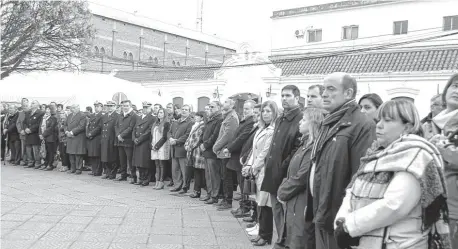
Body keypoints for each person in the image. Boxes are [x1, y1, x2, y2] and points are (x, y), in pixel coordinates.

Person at [335, 99, 451, 249]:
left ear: (407, 126)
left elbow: (394, 205)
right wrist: (341, 221)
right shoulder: (375, 154)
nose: (379, 125)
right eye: (379, 119)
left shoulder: (416, 155)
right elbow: (352, 191)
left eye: (388, 120)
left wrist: (349, 226)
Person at [311, 72, 376, 249]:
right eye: (324, 89)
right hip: (322, 209)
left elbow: (359, 176)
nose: (324, 94)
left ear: (348, 93)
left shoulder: (361, 125)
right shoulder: (330, 121)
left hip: (337, 215)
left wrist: (345, 219)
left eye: (331, 89)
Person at [261, 85, 304, 249]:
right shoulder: (280, 118)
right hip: (273, 172)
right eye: (282, 96)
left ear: (297, 98)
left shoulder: (300, 119)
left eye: (288, 96)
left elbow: (296, 150)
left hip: (286, 174)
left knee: (286, 212)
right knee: (277, 211)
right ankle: (280, 241)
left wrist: (282, 167)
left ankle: (286, 243)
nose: (284, 98)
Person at [277, 108, 325, 249]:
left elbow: (301, 177)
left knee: (300, 240)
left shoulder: (312, 148)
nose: (300, 122)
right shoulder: (304, 145)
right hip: (295, 201)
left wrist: (282, 192)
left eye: (304, 120)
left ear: (312, 124)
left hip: (302, 202)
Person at [243, 100, 278, 246]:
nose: (265, 114)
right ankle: (261, 232)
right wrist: (249, 164)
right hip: (257, 170)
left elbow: (265, 152)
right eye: (263, 111)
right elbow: (254, 150)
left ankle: (266, 235)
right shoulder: (261, 128)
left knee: (265, 204)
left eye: (268, 111)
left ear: (274, 113)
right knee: (259, 202)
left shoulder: (273, 130)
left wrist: (254, 167)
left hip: (264, 170)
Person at [430, 73, 458, 248]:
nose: (457, 91)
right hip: (430, 203)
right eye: (455, 85)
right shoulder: (430, 123)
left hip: (454, 208)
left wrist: (437, 149)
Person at [221, 99, 256, 211]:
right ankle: (242, 205)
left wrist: (229, 148)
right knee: (239, 181)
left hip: (241, 155)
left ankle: (245, 207)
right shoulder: (245, 120)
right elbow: (236, 137)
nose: (245, 111)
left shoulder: (250, 122)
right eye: (244, 108)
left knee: (242, 182)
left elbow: (241, 138)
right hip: (236, 154)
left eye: (247, 109)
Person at [212, 98, 240, 210]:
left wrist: (216, 146)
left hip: (226, 151)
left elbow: (228, 135)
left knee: (227, 176)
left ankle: (228, 200)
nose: (224, 103)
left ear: (232, 105)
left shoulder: (232, 118)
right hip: (223, 151)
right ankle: (224, 198)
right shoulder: (227, 116)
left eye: (227, 102)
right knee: (224, 175)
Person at [201, 101, 223, 204]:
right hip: (206, 150)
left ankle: (215, 195)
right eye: (209, 107)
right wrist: (202, 142)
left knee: (214, 175)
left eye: (213, 107)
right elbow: (204, 132)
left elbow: (215, 135)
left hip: (212, 151)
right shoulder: (211, 118)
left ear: (219, 107)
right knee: (208, 175)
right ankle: (209, 193)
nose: (210, 108)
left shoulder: (219, 119)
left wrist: (205, 144)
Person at [169, 104, 193, 194]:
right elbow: (169, 132)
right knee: (175, 169)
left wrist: (177, 141)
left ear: (189, 111)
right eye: (182, 109)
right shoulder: (176, 121)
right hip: (174, 149)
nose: (184, 111)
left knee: (184, 170)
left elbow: (187, 135)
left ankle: (185, 187)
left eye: (186, 109)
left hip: (182, 149)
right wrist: (170, 138)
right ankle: (177, 185)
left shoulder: (190, 122)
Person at [131, 102, 156, 186]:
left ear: (150, 109)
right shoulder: (139, 117)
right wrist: (134, 138)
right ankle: (140, 178)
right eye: (144, 108)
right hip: (137, 141)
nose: (145, 109)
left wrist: (140, 139)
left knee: (144, 162)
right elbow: (134, 129)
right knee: (138, 161)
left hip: (144, 142)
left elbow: (149, 131)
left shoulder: (152, 118)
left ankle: (146, 179)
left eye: (147, 108)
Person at [184, 111, 206, 198]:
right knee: (196, 171)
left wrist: (189, 147)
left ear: (201, 117)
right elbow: (190, 137)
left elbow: (197, 139)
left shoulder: (202, 126)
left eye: (197, 116)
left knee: (199, 171)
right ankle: (196, 191)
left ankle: (198, 191)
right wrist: (186, 144)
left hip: (198, 152)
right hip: (193, 151)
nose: (195, 117)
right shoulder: (195, 125)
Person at [114, 100, 137, 181]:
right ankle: (123, 175)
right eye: (124, 106)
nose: (125, 107)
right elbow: (116, 126)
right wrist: (118, 135)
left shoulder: (133, 115)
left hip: (128, 141)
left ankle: (134, 176)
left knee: (130, 159)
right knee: (122, 159)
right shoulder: (120, 115)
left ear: (130, 106)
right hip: (120, 140)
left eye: (127, 106)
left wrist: (121, 135)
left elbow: (131, 128)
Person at [151, 108, 171, 189]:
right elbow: (152, 135)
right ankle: (157, 181)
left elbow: (164, 137)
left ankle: (161, 181)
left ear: (164, 114)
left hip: (162, 146)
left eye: (161, 113)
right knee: (157, 164)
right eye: (159, 112)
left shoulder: (166, 124)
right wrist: (152, 145)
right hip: (154, 145)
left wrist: (157, 146)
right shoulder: (155, 123)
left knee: (162, 164)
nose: (160, 114)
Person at [65, 104, 87, 175]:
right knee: (71, 153)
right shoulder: (69, 115)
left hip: (78, 137)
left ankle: (78, 169)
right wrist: (66, 131)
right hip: (70, 137)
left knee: (78, 154)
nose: (72, 109)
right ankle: (73, 168)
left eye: (74, 108)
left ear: (78, 108)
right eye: (72, 108)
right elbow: (65, 125)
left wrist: (72, 132)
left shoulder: (82, 115)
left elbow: (81, 126)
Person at [23, 100, 45, 168]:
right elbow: (24, 122)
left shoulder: (41, 113)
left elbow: (39, 123)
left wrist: (31, 129)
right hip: (28, 133)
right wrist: (26, 128)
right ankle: (30, 162)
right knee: (28, 148)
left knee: (35, 149)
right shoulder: (28, 112)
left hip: (35, 133)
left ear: (37, 105)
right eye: (31, 103)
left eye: (33, 103)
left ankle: (37, 163)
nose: (31, 104)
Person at [101, 101, 119, 179]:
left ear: (115, 107)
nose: (109, 107)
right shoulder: (105, 116)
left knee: (112, 157)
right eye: (108, 106)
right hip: (105, 139)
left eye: (111, 106)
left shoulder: (117, 116)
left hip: (112, 139)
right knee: (105, 157)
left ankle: (112, 173)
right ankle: (107, 172)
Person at [86, 101, 103, 176]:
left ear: (101, 107)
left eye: (98, 106)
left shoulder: (102, 115)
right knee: (92, 154)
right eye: (95, 106)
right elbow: (89, 125)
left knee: (97, 155)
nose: (96, 108)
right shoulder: (92, 115)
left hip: (97, 137)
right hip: (91, 137)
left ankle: (98, 171)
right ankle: (93, 170)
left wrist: (91, 133)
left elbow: (99, 127)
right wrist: (88, 133)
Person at [39, 105, 58, 171]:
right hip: (43, 137)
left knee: (50, 151)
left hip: (50, 137)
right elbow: (40, 126)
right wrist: (40, 134)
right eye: (46, 109)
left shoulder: (53, 118)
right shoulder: (43, 118)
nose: (47, 111)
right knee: (45, 151)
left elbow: (51, 128)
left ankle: (50, 164)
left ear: (51, 110)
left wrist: (43, 135)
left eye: (48, 109)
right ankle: (45, 163)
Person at [17, 98, 29, 166]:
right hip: (22, 134)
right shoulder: (20, 113)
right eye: (23, 102)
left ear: (28, 103)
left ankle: (30, 160)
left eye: (25, 102)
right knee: (23, 148)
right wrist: (20, 130)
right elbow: (18, 123)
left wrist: (27, 130)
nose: (24, 104)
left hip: (30, 134)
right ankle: (24, 160)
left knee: (30, 148)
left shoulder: (31, 112)